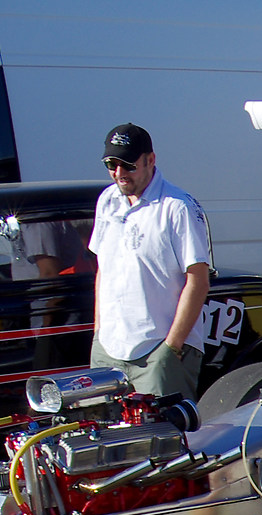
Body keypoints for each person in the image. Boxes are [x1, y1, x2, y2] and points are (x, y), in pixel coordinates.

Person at [87, 123, 211, 400]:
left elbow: (198, 281)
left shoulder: (178, 206)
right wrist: (98, 333)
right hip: (109, 349)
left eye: (128, 165)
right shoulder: (107, 201)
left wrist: (172, 347)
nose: (119, 173)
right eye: (111, 164)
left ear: (150, 160)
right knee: (105, 437)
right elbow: (102, 271)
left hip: (157, 350)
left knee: (162, 438)